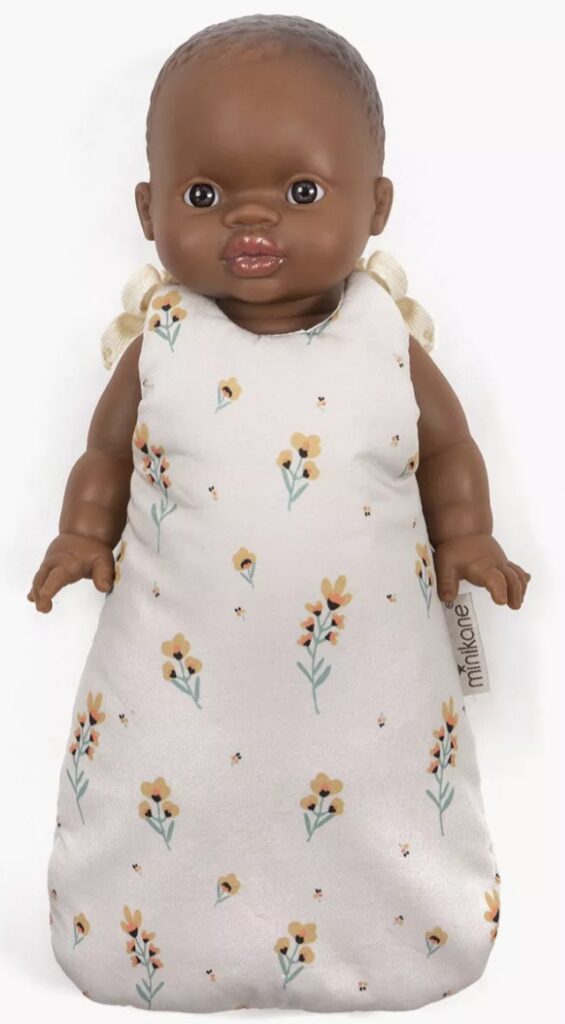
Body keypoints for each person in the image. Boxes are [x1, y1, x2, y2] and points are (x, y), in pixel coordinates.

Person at [28, 13, 530, 1013]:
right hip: (175, 665)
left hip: (371, 671)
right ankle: (150, 940)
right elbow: (106, 452)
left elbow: (444, 446)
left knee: (377, 790)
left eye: (301, 192)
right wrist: (82, 533)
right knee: (166, 782)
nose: (249, 221)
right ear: (148, 209)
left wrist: (468, 535)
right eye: (203, 195)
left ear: (375, 204)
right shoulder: (163, 341)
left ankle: (393, 937)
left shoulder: (383, 338)